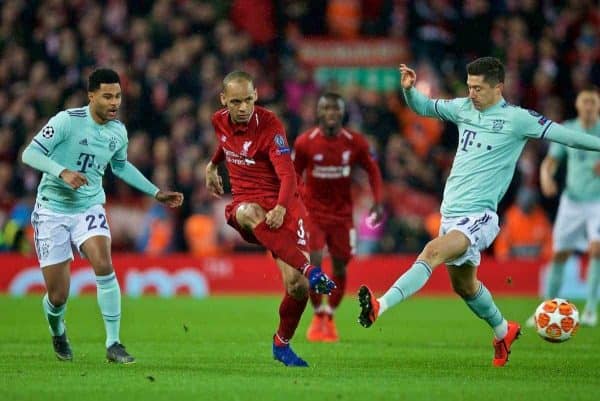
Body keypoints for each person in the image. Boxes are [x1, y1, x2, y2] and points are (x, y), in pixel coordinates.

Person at [357, 57, 600, 367]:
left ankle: (380, 305)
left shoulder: (517, 119)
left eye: (478, 88)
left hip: (480, 217)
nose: (472, 93)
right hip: (451, 214)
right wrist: (408, 91)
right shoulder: (463, 108)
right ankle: (504, 330)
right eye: (469, 87)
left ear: (498, 87)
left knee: (432, 251)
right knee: (465, 286)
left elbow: (566, 136)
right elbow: (424, 107)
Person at [21, 68, 184, 363]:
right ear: (91, 95)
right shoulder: (67, 122)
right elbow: (29, 154)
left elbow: (120, 167)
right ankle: (57, 330)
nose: (114, 102)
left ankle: (113, 343)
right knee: (58, 296)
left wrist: (155, 192)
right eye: (107, 96)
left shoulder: (117, 132)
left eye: (118, 96)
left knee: (103, 262)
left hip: (89, 206)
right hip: (52, 209)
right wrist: (62, 172)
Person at [205, 71, 335, 367]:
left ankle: (281, 344)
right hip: (248, 207)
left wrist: (280, 207)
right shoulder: (218, 121)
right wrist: (212, 166)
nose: (242, 108)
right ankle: (310, 268)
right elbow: (226, 144)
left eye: (248, 100)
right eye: (235, 102)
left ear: (256, 96)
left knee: (298, 287)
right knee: (247, 211)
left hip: (282, 205)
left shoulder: (270, 125)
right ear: (224, 100)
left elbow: (287, 174)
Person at [293, 93, 384, 342]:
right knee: (313, 262)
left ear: (342, 113)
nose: (331, 113)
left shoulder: (354, 142)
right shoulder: (305, 142)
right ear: (319, 113)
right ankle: (317, 314)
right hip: (314, 215)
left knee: (341, 267)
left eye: (336, 109)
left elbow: (372, 170)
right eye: (326, 109)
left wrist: (377, 200)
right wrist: (298, 200)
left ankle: (329, 316)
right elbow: (293, 174)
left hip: (343, 217)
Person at [531, 87, 600, 327]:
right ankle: (545, 308)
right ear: (578, 105)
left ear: (598, 105)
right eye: (585, 102)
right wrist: (545, 176)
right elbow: (551, 160)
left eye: (593, 102)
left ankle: (591, 308)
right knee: (560, 253)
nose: (589, 106)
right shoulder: (568, 129)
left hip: (597, 202)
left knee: (596, 249)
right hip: (571, 200)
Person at [493, 186, 552, 262]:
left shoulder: (542, 218)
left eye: (530, 207)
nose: (526, 210)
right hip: (514, 264)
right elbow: (501, 248)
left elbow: (549, 244)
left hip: (536, 263)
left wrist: (541, 258)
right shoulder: (509, 218)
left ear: (535, 204)